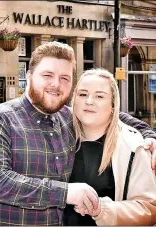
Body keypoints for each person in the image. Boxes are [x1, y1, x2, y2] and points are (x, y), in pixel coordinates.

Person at [0, 42, 156, 226]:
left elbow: (109, 114)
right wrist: (66, 193)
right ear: (29, 75)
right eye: (47, 75)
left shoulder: (67, 117)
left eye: (64, 78)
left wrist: (150, 134)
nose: (56, 84)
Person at [64, 68, 156, 226]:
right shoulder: (56, 136)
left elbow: (149, 209)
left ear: (113, 104)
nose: (89, 101)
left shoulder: (133, 146)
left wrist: (102, 210)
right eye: (83, 94)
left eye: (99, 96)